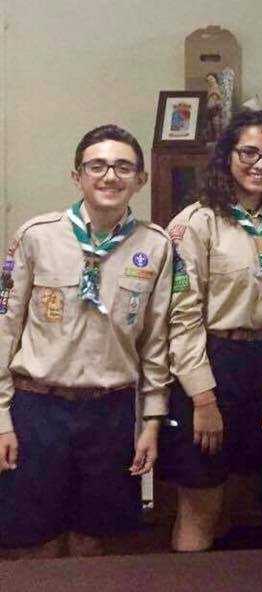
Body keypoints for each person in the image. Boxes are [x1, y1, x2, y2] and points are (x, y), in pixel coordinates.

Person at [0, 125, 174, 557]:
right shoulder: (36, 236)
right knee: (33, 540)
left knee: (94, 539)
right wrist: (1, 418)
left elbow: (155, 341)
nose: (110, 176)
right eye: (97, 166)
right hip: (38, 408)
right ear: (76, 176)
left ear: (140, 179)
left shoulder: (155, 245)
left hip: (111, 411)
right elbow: (4, 328)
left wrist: (151, 422)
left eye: (123, 167)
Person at [159, 109, 262, 551]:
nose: (260, 164)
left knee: (241, 499)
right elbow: (181, 317)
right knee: (202, 502)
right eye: (249, 153)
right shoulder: (196, 222)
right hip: (212, 364)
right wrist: (203, 399)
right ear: (227, 156)